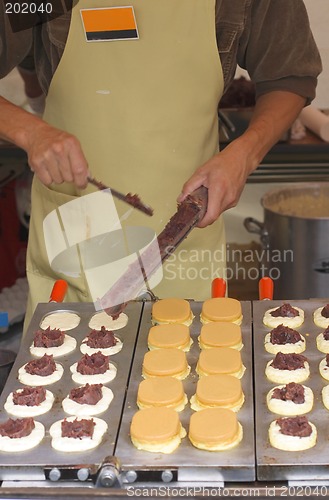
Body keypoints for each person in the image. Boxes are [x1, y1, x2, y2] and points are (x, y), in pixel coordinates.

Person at [0, 0, 322, 329]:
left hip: (190, 232)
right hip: (78, 236)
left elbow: (290, 73)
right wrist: (29, 130)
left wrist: (245, 154)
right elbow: (24, 44)